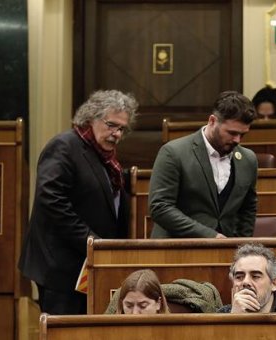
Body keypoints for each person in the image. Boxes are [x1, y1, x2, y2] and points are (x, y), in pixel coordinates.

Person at [18, 90, 137, 314]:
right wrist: (91, 242)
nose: (117, 134)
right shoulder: (64, 146)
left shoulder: (105, 156)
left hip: (88, 263)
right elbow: (51, 200)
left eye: (122, 128)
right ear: (91, 117)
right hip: (60, 267)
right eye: (111, 125)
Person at [149, 91, 258, 238]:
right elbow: (160, 207)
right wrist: (210, 236)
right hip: (176, 250)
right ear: (212, 121)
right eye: (232, 133)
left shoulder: (248, 159)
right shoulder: (174, 152)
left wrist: (242, 247)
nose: (237, 140)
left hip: (227, 253)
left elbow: (247, 209)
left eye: (242, 134)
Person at [217, 243, 276, 313]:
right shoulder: (224, 313)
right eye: (239, 277)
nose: (245, 282)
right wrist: (233, 321)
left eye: (255, 276)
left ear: (274, 283)